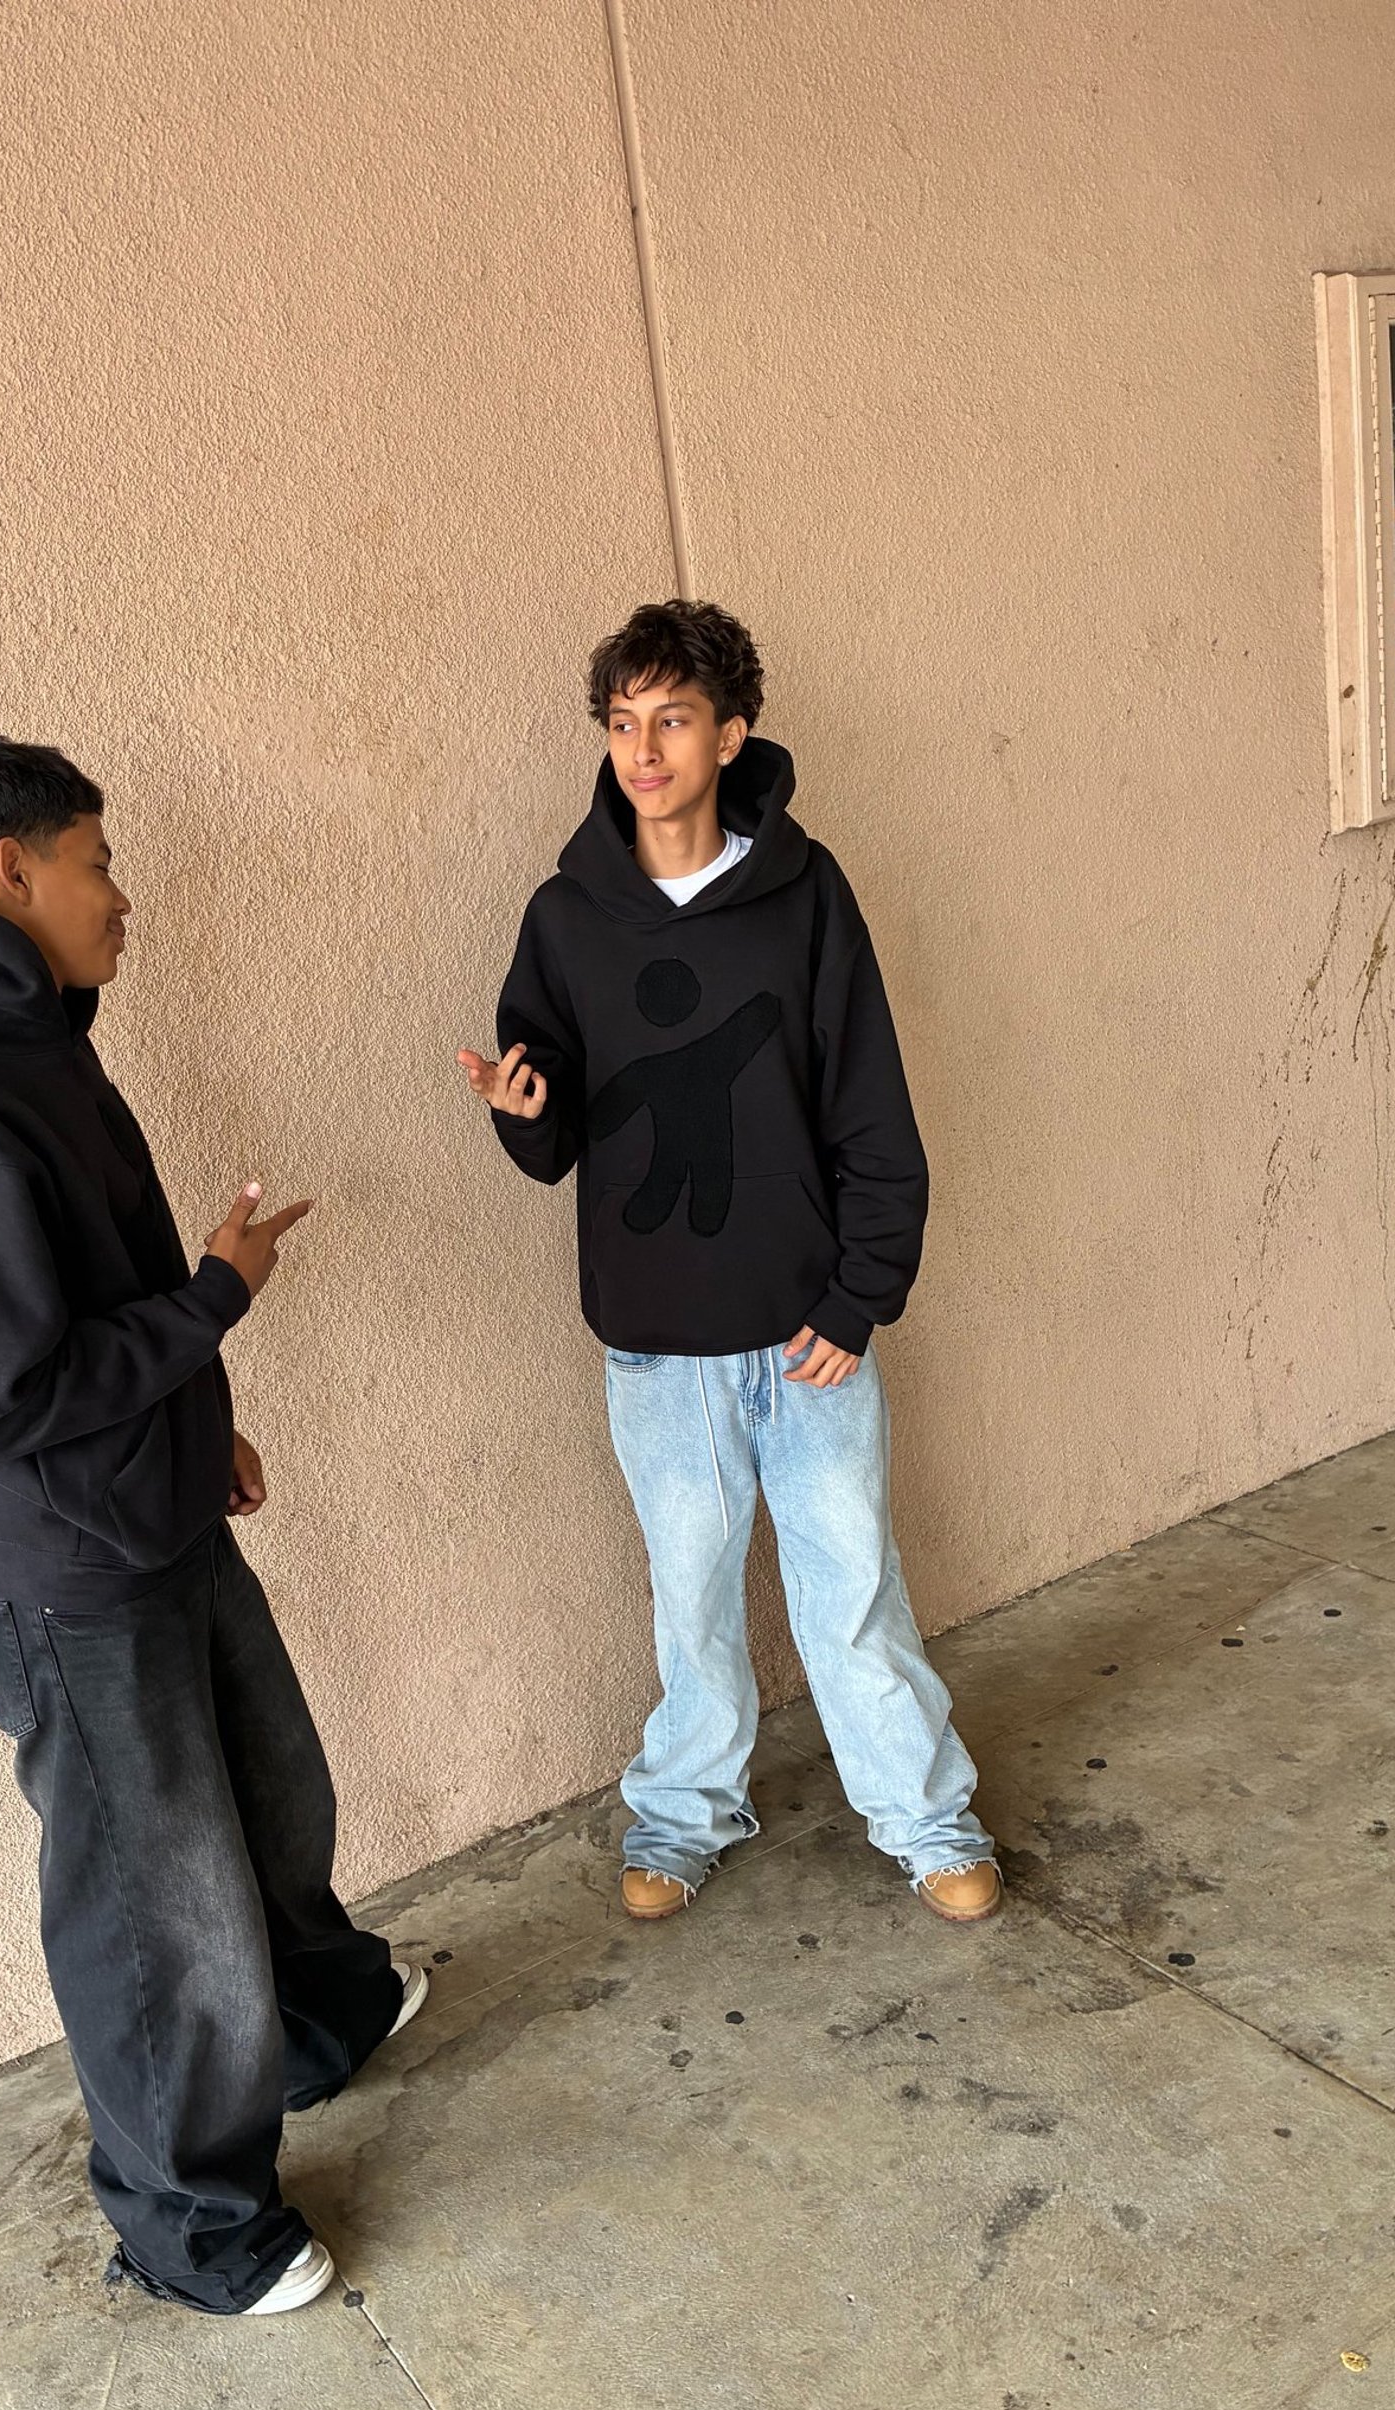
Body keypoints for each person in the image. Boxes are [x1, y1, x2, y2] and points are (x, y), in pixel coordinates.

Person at [0, 732, 423, 2316]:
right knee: (160, 1914)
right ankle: (187, 2228)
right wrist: (219, 1302)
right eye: (94, 859)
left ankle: (311, 2030)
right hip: (73, 1579)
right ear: (7, 872)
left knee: (274, 1796)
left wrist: (199, 1422)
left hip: (155, 1517)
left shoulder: (33, 1041)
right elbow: (0, 1396)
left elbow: (91, 1296)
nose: (122, 895)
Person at [459, 601, 1000, 1926]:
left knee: (853, 1594)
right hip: (656, 1342)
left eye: (674, 719)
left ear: (731, 733)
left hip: (808, 1329)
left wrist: (863, 1290)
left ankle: (928, 1822)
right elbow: (554, 1128)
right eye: (624, 723)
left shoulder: (804, 899)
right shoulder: (567, 916)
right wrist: (521, 1113)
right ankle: (681, 1817)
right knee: (691, 1605)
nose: (644, 750)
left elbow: (870, 1104)